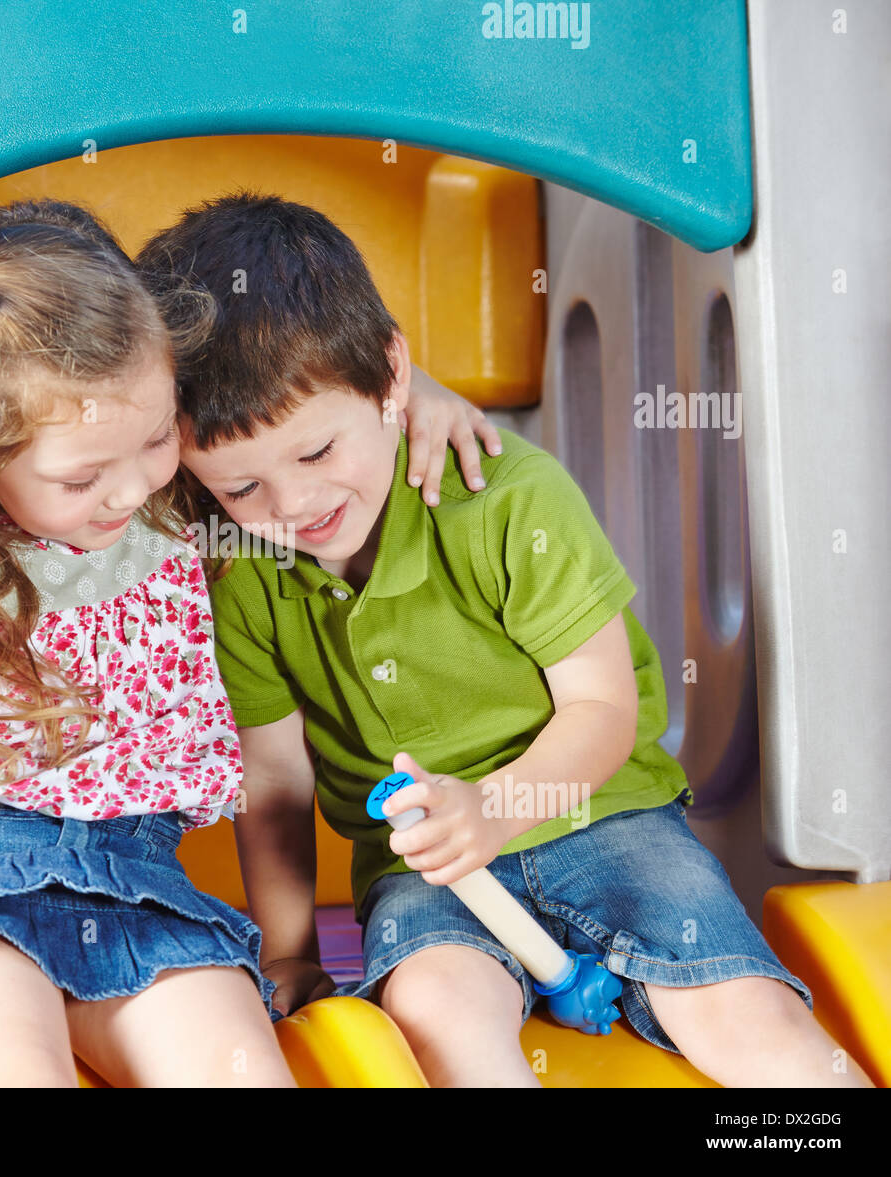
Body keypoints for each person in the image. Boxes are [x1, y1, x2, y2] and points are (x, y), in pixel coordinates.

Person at [137, 191, 872, 1087]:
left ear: (392, 377)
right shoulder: (243, 568)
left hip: (609, 819)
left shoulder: (508, 498)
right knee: (437, 1014)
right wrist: (288, 955)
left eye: (317, 453)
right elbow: (278, 780)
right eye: (241, 489)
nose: (291, 506)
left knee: (739, 1011)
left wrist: (494, 808)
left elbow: (604, 707)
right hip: (425, 873)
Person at [0, 198, 490, 1088]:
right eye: (81, 476)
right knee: (10, 1068)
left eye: (160, 436)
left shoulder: (176, 509)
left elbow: (291, 374)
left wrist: (411, 388)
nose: (128, 488)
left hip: (138, 886)